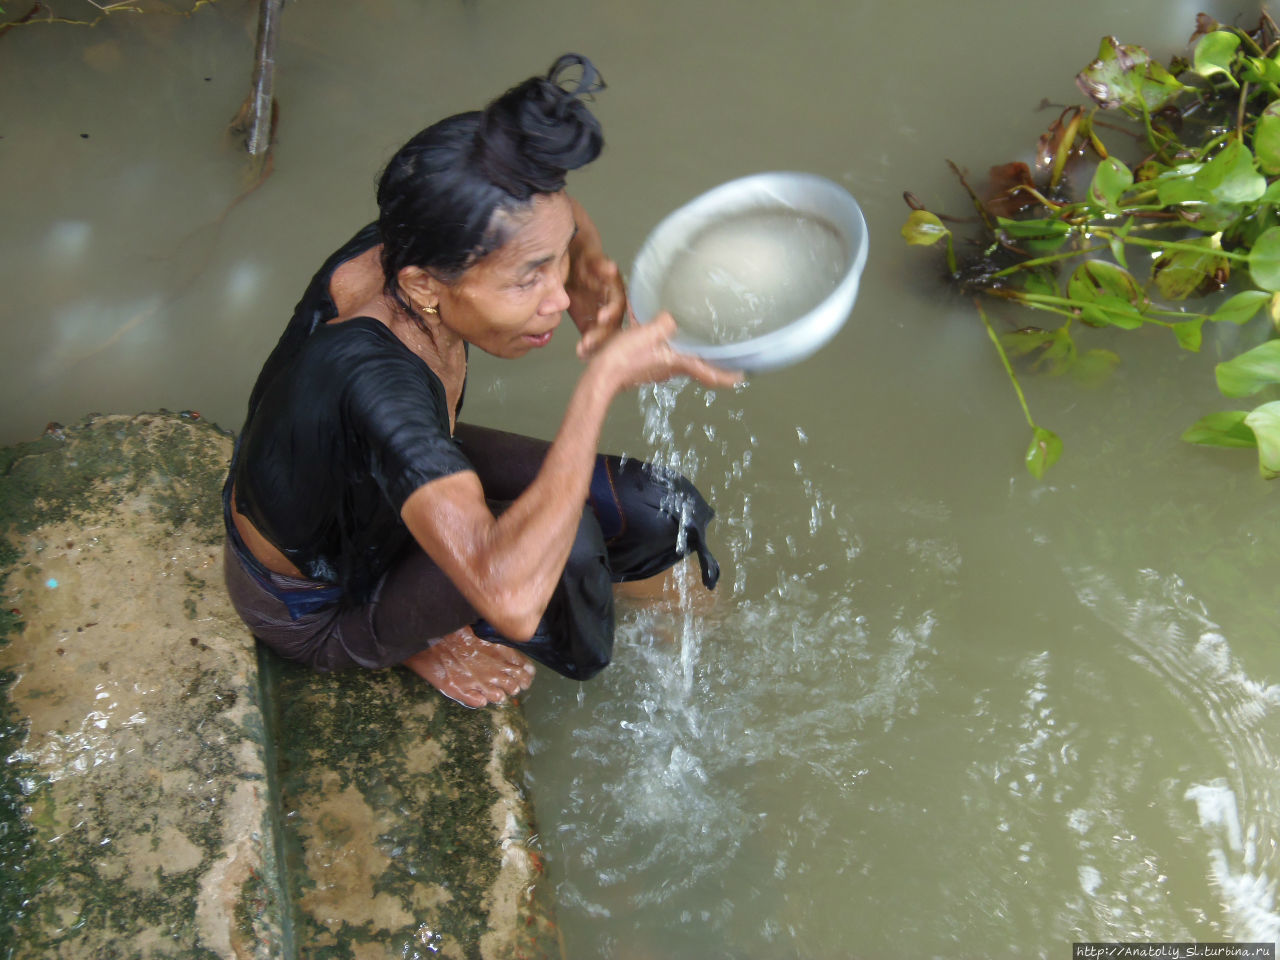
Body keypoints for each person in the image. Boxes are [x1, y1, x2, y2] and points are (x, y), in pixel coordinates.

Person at [221, 53, 739, 708]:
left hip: (372, 480)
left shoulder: (427, 237)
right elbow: (515, 601)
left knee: (663, 508)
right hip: (318, 604)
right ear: (423, 287)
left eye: (550, 269)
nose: (550, 300)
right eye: (528, 279)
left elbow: (565, 216)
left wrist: (592, 291)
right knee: (566, 554)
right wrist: (600, 380)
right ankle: (406, 634)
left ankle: (706, 642)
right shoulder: (377, 379)